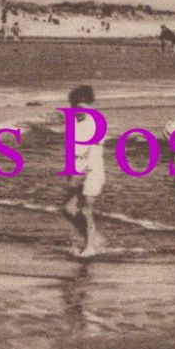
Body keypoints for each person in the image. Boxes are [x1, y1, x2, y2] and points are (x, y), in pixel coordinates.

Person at [62, 84, 105, 256]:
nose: (76, 110)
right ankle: (93, 238)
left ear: (88, 104)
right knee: (68, 209)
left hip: (92, 171)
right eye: (73, 107)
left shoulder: (96, 121)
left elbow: (90, 150)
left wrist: (81, 172)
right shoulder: (73, 123)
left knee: (86, 210)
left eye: (80, 107)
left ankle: (90, 247)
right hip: (78, 168)